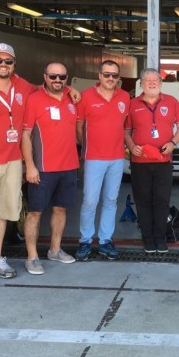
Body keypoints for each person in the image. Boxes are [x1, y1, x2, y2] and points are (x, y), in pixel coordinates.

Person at [21, 62, 79, 275]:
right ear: (45, 77)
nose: (58, 80)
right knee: (35, 212)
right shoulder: (34, 100)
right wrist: (30, 166)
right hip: (42, 169)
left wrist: (73, 91)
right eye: (53, 76)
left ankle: (55, 250)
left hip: (69, 166)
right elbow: (26, 134)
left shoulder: (72, 99)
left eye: (62, 77)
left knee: (60, 209)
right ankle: (32, 256)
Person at [0, 43, 37, 279]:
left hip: (13, 160)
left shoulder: (24, 86)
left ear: (14, 64)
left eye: (8, 61)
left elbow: (46, 90)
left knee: (1, 211)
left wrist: (70, 90)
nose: (3, 65)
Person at [124, 68, 179, 254]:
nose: (152, 83)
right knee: (142, 201)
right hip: (139, 161)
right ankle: (148, 239)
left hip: (163, 160)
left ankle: (160, 238)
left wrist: (173, 143)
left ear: (161, 83)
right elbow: (126, 131)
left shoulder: (172, 102)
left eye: (155, 80)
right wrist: (131, 145)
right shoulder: (132, 103)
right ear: (141, 84)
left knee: (161, 200)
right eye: (147, 80)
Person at [75, 60, 130, 261]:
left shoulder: (124, 97)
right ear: (99, 76)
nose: (110, 78)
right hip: (93, 158)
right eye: (107, 74)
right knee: (90, 201)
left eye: (114, 75)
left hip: (116, 158)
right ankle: (85, 241)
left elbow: (125, 127)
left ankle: (105, 240)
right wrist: (88, 147)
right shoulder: (86, 96)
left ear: (119, 78)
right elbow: (79, 127)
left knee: (111, 200)